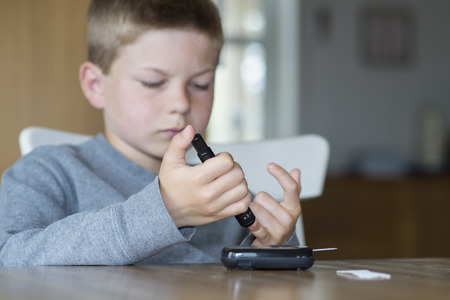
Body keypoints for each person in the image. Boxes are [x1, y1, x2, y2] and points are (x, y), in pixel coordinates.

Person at [0, 0, 301, 266]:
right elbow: (8, 257)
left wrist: (268, 248)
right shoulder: (49, 172)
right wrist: (164, 210)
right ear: (95, 85)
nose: (181, 103)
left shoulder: (224, 194)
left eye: (201, 84)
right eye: (153, 82)